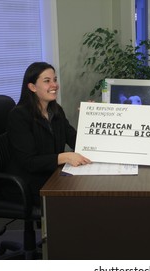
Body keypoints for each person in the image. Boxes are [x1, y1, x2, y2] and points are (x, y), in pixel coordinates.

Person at [6, 62, 91, 206]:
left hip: (52, 176)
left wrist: (88, 120)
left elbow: (75, 141)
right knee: (80, 199)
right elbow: (29, 162)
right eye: (47, 81)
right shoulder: (19, 116)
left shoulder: (56, 110)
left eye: (55, 80)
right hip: (26, 183)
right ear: (32, 87)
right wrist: (64, 157)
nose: (54, 85)